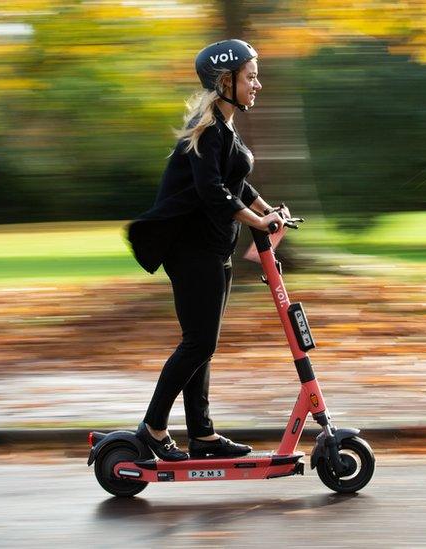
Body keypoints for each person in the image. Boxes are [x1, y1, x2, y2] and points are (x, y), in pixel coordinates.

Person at [125, 39, 290, 461]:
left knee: (203, 343)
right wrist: (258, 222)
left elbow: (234, 180)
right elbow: (211, 191)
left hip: (214, 248)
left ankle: (202, 435)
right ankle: (153, 428)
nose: (257, 83)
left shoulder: (223, 126)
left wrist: (269, 212)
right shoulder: (209, 129)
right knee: (198, 343)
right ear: (225, 80)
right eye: (250, 76)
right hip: (190, 250)